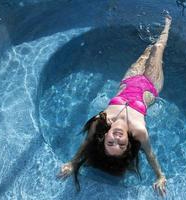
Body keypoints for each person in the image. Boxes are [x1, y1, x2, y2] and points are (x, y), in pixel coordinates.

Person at [57, 14, 172, 197]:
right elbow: (150, 155)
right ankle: (167, 25)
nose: (117, 139)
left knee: (146, 52)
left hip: (129, 80)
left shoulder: (100, 120)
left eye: (111, 142)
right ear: (128, 144)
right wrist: (160, 176)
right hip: (151, 83)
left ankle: (152, 40)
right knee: (158, 50)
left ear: (105, 138)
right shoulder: (139, 130)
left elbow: (86, 143)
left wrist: (72, 163)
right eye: (121, 144)